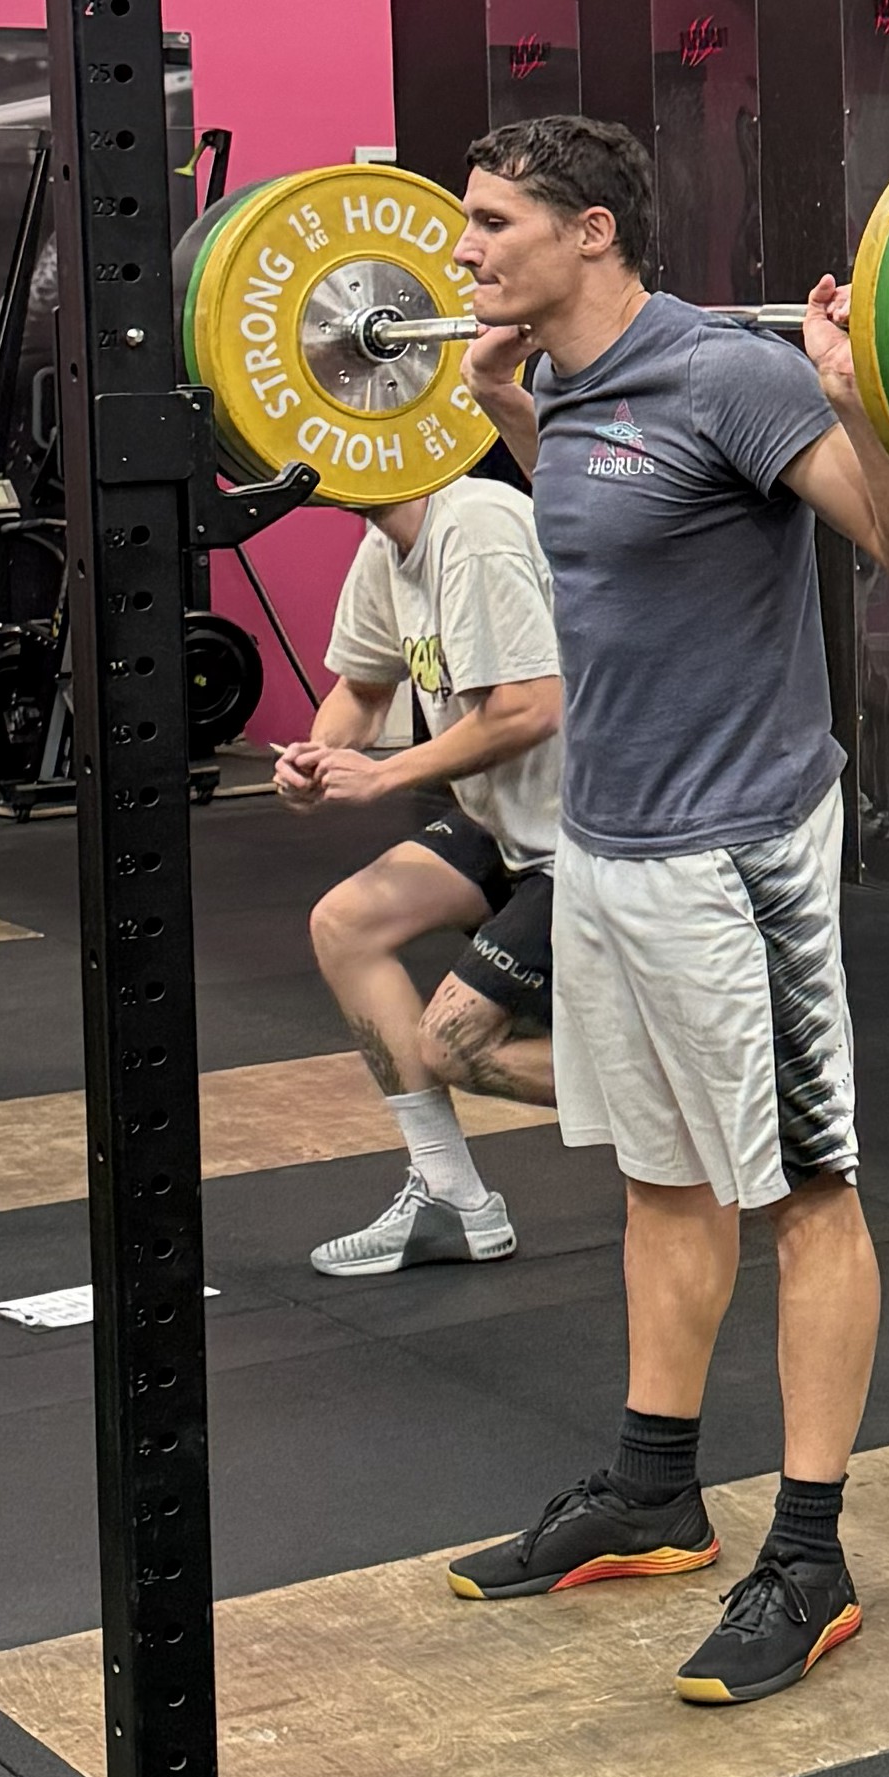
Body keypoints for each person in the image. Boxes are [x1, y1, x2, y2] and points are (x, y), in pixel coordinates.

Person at [437, 115, 889, 1710]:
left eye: (491, 222)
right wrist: (512, 407)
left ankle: (809, 1556)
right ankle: (654, 1489)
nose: (461, 250)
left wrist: (852, 400)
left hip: (739, 854)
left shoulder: (731, 377)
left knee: (804, 1192)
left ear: (591, 230)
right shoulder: (571, 385)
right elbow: (618, 530)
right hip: (606, 848)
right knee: (663, 1178)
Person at [277, 470, 570, 1278]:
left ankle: (711, 1101)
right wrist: (319, 757)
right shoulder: (387, 545)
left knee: (454, 1047)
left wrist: (384, 774)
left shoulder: (475, 527)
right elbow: (363, 687)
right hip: (507, 820)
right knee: (346, 924)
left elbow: (531, 706)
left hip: (590, 835)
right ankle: (451, 1198)